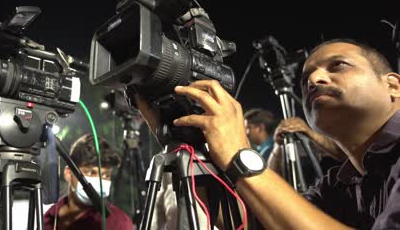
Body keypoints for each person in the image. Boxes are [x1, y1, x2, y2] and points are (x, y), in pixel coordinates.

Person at [134, 38, 400, 229]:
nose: (314, 79)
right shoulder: (340, 185)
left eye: (338, 65)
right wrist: (185, 140)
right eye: (306, 77)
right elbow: (258, 220)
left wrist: (240, 155)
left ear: (393, 86)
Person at [44, 134, 133, 230]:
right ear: (69, 173)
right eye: (91, 172)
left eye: (106, 175)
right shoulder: (48, 218)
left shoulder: (117, 223)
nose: (100, 181)